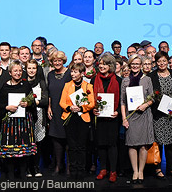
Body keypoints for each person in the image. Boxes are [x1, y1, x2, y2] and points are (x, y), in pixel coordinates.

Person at [0, 60, 37, 179]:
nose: (18, 73)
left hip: (24, 122)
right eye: (15, 71)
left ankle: (23, 173)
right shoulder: (4, 86)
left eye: (20, 71)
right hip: (9, 123)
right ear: (10, 72)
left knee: (23, 149)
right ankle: (10, 174)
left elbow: (32, 102)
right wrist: (6, 107)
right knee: (10, 149)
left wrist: (28, 104)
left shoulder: (26, 85)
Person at [121, 54, 154, 183]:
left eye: (137, 64)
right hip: (131, 116)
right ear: (129, 65)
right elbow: (122, 102)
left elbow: (152, 98)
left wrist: (145, 105)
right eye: (133, 64)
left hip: (144, 115)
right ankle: (135, 170)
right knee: (132, 144)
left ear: (141, 65)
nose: (135, 66)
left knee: (143, 145)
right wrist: (124, 119)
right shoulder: (125, 81)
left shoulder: (147, 79)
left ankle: (141, 171)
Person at [149, 51, 172, 179]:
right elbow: (152, 94)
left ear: (167, 61)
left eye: (164, 61)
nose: (161, 63)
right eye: (159, 61)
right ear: (156, 63)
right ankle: (157, 168)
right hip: (159, 114)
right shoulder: (152, 76)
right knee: (158, 143)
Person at [60, 62, 95, 180]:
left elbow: (92, 103)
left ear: (81, 73)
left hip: (83, 118)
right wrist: (70, 108)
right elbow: (62, 102)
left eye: (75, 72)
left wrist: (81, 108)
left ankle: (81, 170)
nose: (73, 74)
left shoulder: (88, 86)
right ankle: (73, 169)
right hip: (70, 118)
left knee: (81, 146)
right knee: (72, 146)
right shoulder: (67, 85)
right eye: (72, 71)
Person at [92, 53, 122, 183]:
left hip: (113, 118)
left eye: (105, 64)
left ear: (111, 66)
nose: (102, 66)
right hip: (99, 118)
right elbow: (91, 98)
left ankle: (113, 171)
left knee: (112, 145)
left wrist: (118, 113)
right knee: (101, 144)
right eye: (100, 64)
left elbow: (122, 100)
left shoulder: (118, 80)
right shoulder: (94, 79)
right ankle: (103, 169)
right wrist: (93, 108)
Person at [47, 51, 71, 176]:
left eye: (59, 60)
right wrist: (49, 107)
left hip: (66, 110)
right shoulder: (50, 75)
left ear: (63, 61)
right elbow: (49, 93)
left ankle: (68, 167)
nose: (57, 63)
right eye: (55, 61)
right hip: (54, 109)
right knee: (56, 139)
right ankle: (58, 165)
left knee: (67, 139)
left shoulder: (69, 73)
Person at [26, 59, 48, 178]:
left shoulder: (41, 82)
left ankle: (36, 166)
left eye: (34, 68)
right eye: (29, 68)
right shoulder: (23, 81)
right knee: (28, 142)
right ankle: (28, 168)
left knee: (38, 143)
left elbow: (45, 100)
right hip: (26, 115)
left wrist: (34, 102)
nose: (31, 70)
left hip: (39, 116)